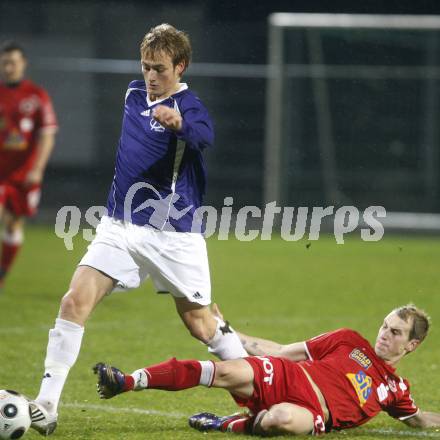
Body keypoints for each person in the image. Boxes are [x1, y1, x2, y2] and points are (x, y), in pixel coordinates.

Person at [28, 24, 246, 436]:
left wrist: (179, 122)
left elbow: (205, 136)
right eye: (145, 66)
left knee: (202, 326)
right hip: (119, 225)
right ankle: (47, 404)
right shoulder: (133, 94)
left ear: (180, 66)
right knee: (74, 301)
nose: (150, 76)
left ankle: (266, 393)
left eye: (160, 69)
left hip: (173, 234)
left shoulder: (189, 105)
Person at [94, 304, 440, 436]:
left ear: (411, 346)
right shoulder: (348, 340)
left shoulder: (396, 390)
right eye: (384, 325)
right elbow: (280, 352)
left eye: (395, 332)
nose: (383, 333)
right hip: (290, 375)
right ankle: (126, 381)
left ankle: (224, 424)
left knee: (280, 421)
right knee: (218, 372)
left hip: (315, 412)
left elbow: (419, 420)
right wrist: (228, 330)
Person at [0, 41, 58, 290]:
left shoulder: (36, 96)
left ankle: (2, 273)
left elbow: (47, 134)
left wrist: (37, 169)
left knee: (13, 225)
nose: (9, 67)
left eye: (13, 62)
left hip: (23, 175)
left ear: (23, 64)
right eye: (5, 62)